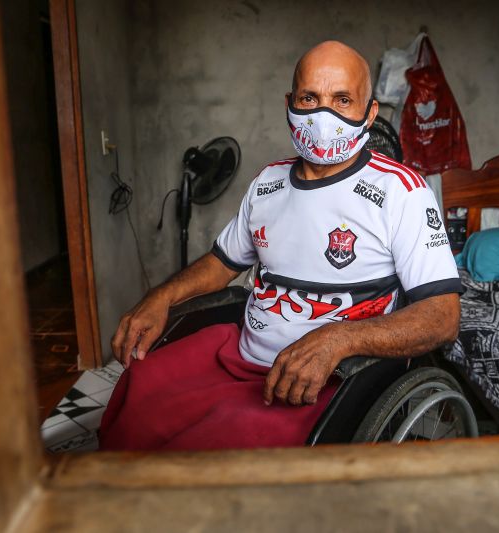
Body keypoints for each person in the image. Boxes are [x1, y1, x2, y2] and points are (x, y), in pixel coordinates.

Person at [99, 40, 462, 451]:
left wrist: (339, 339)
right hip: (240, 354)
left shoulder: (401, 192)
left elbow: (442, 317)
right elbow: (222, 263)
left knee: (219, 441)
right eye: (310, 98)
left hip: (325, 382)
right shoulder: (266, 184)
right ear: (289, 103)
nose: (323, 114)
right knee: (141, 387)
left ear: (369, 111)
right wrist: (161, 296)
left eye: (342, 100)